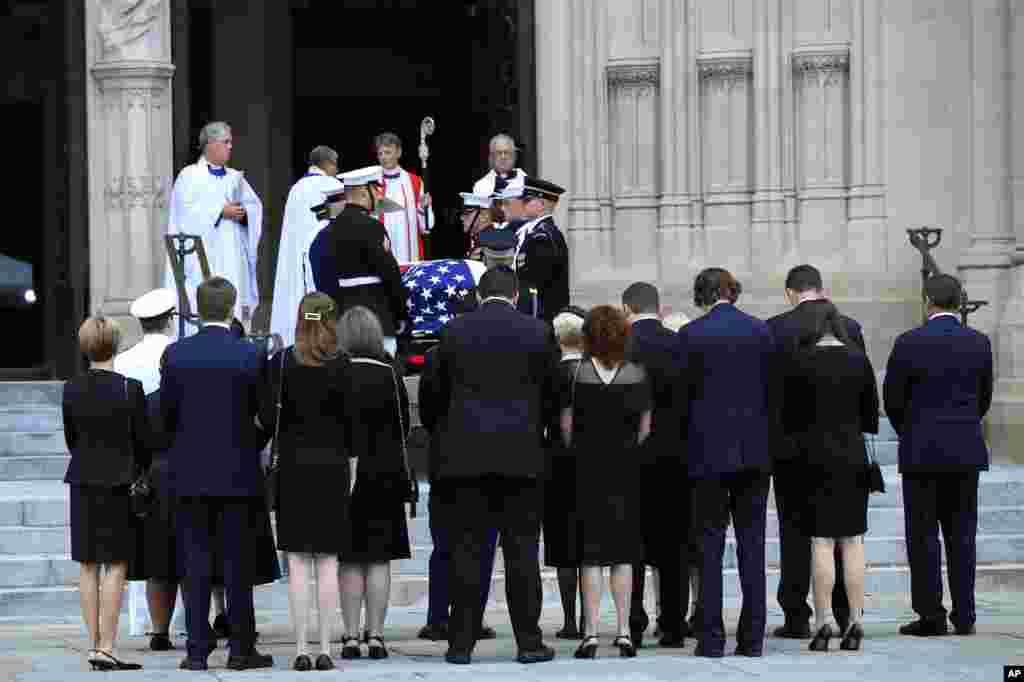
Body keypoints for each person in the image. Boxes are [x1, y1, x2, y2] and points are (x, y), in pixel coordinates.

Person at [434, 266, 558, 665]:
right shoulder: (537, 332)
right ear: (516, 294)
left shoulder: (454, 331)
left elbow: (435, 395)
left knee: (469, 552)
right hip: (522, 457)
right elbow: (554, 395)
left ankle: (461, 643)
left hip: (466, 459)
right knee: (522, 554)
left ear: (479, 293)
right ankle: (528, 641)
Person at [160, 277, 274, 671]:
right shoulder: (250, 353)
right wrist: (249, 442)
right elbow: (268, 416)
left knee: (193, 562)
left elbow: (166, 417)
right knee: (236, 563)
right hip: (237, 471)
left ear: (197, 307)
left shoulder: (176, 355)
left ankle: (196, 649)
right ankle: (241, 647)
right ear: (231, 308)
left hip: (189, 471)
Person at [883, 274, 993, 638]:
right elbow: (983, 398)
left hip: (922, 452)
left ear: (928, 300)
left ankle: (930, 614)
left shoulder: (908, 342)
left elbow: (893, 401)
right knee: (962, 535)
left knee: (923, 535)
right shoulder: (978, 342)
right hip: (964, 451)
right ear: (959, 301)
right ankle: (965, 614)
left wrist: (912, 431)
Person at [680, 268, 774, 658]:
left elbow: (682, 399)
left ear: (702, 295)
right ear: (732, 292)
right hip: (753, 452)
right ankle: (752, 638)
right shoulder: (760, 331)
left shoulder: (691, 335)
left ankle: (712, 636)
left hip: (708, 454)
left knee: (710, 548)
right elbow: (772, 391)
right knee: (752, 546)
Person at [767, 264, 865, 638]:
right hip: (846, 445)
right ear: (822, 290)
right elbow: (865, 402)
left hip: (792, 446)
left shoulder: (775, 327)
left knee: (796, 532)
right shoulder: (851, 328)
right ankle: (843, 611)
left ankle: (796, 613)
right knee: (843, 534)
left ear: (791, 292)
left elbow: (771, 392)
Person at [781, 302, 879, 652]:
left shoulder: (799, 362)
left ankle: (823, 619)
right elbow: (871, 418)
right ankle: (854, 619)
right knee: (852, 541)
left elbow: (788, 418)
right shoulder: (859, 360)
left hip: (812, 459)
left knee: (820, 541)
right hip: (852, 458)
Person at [260, 293, 350, 671]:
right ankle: (326, 646)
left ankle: (300, 646)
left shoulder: (280, 363)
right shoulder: (341, 363)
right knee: (328, 561)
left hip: (293, 466)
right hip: (331, 465)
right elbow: (352, 422)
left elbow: (266, 418)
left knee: (297, 562)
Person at [561, 305, 650, 659]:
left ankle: (591, 632)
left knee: (591, 556)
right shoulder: (637, 374)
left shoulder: (575, 374)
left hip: (587, 470)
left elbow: (566, 427)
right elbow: (645, 428)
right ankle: (625, 631)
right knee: (624, 555)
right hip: (626, 471)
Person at [63, 316, 150, 671]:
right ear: (115, 345)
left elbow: (72, 439)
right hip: (118, 482)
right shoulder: (130, 389)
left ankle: (94, 644)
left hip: (83, 479)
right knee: (115, 564)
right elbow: (143, 443)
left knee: (87, 564)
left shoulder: (71, 388)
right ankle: (108, 645)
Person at [416, 290, 499, 643]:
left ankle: (438, 617)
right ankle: (472, 618)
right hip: (483, 459)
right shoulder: (490, 354)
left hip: (445, 458)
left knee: (445, 545)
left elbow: (428, 410)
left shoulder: (436, 356)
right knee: (479, 546)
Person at [337, 306, 414, 661]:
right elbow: (404, 427)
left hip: (347, 475)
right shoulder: (390, 374)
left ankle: (351, 635)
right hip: (385, 474)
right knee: (379, 559)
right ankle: (377, 635)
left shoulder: (336, 374)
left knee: (351, 560)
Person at [621, 282, 691, 648]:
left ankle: (632, 621)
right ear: (658, 307)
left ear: (627, 307)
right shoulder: (680, 344)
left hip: (629, 458)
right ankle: (673, 624)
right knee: (674, 547)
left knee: (630, 546)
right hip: (675, 458)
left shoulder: (619, 346)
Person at [113, 289, 179, 652]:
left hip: (144, 462)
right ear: (170, 318)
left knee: (154, 557)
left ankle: (157, 627)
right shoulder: (180, 353)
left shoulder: (124, 361)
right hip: (179, 455)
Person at [165, 121, 262, 328]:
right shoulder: (189, 175)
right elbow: (184, 215)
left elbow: (255, 209)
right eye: (226, 142)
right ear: (210, 145)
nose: (230, 147)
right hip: (204, 259)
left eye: (231, 142)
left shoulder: (236, 178)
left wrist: (244, 215)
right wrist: (220, 211)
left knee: (236, 314)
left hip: (234, 259)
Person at [310, 165, 408, 358]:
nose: (380, 196)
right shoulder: (373, 229)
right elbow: (390, 275)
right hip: (378, 322)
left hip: (342, 328)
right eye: (377, 190)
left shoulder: (324, 235)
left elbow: (322, 285)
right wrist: (400, 315)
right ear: (364, 192)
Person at [270, 146, 344, 346]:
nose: (336, 170)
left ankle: (295, 341)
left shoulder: (296, 188)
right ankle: (319, 343)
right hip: (321, 258)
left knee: (298, 299)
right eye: (336, 165)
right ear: (328, 164)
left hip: (295, 261)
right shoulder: (332, 184)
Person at [544, 306, 587, 640]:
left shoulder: (550, 376)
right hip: (589, 467)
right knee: (588, 546)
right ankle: (588, 618)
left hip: (557, 467)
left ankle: (570, 620)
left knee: (563, 548)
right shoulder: (595, 373)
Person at [511, 177, 569, 323]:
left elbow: (535, 283)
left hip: (540, 314)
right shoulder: (530, 231)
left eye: (526, 201)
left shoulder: (543, 236)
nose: (522, 205)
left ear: (541, 204)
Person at [375, 131, 433, 263]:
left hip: (410, 252)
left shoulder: (415, 181)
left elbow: (426, 227)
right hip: (382, 252)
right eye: (380, 153)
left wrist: (424, 208)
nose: (383, 157)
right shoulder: (372, 182)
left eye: (388, 152)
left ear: (398, 153)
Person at [460, 192, 495, 260]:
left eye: (467, 213)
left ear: (484, 216)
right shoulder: (479, 239)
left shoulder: (491, 245)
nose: (461, 217)